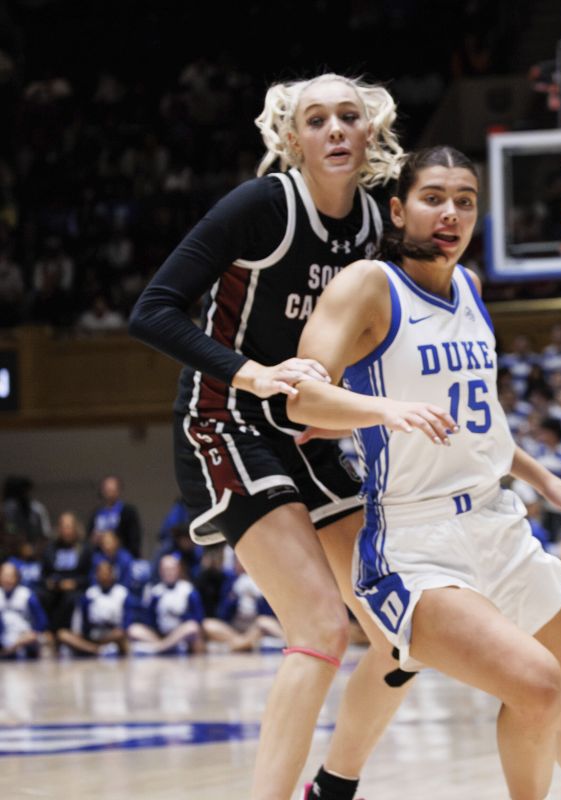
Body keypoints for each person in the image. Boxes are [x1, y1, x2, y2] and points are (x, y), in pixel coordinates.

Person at [286, 146, 561, 800]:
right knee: (537, 686)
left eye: (465, 201)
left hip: (497, 521)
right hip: (415, 544)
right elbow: (301, 396)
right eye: (433, 197)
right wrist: (386, 408)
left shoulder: (469, 288)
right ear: (397, 208)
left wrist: (548, 483)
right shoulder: (367, 285)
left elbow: (480, 420)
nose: (451, 213)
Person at [129, 73, 417, 800]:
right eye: (316, 119)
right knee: (321, 625)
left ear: (369, 131)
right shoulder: (264, 207)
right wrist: (248, 372)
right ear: (293, 139)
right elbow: (154, 310)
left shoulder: (373, 226)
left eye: (348, 116)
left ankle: (333, 787)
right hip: (224, 423)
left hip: (308, 431)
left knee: (400, 629)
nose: (334, 130)